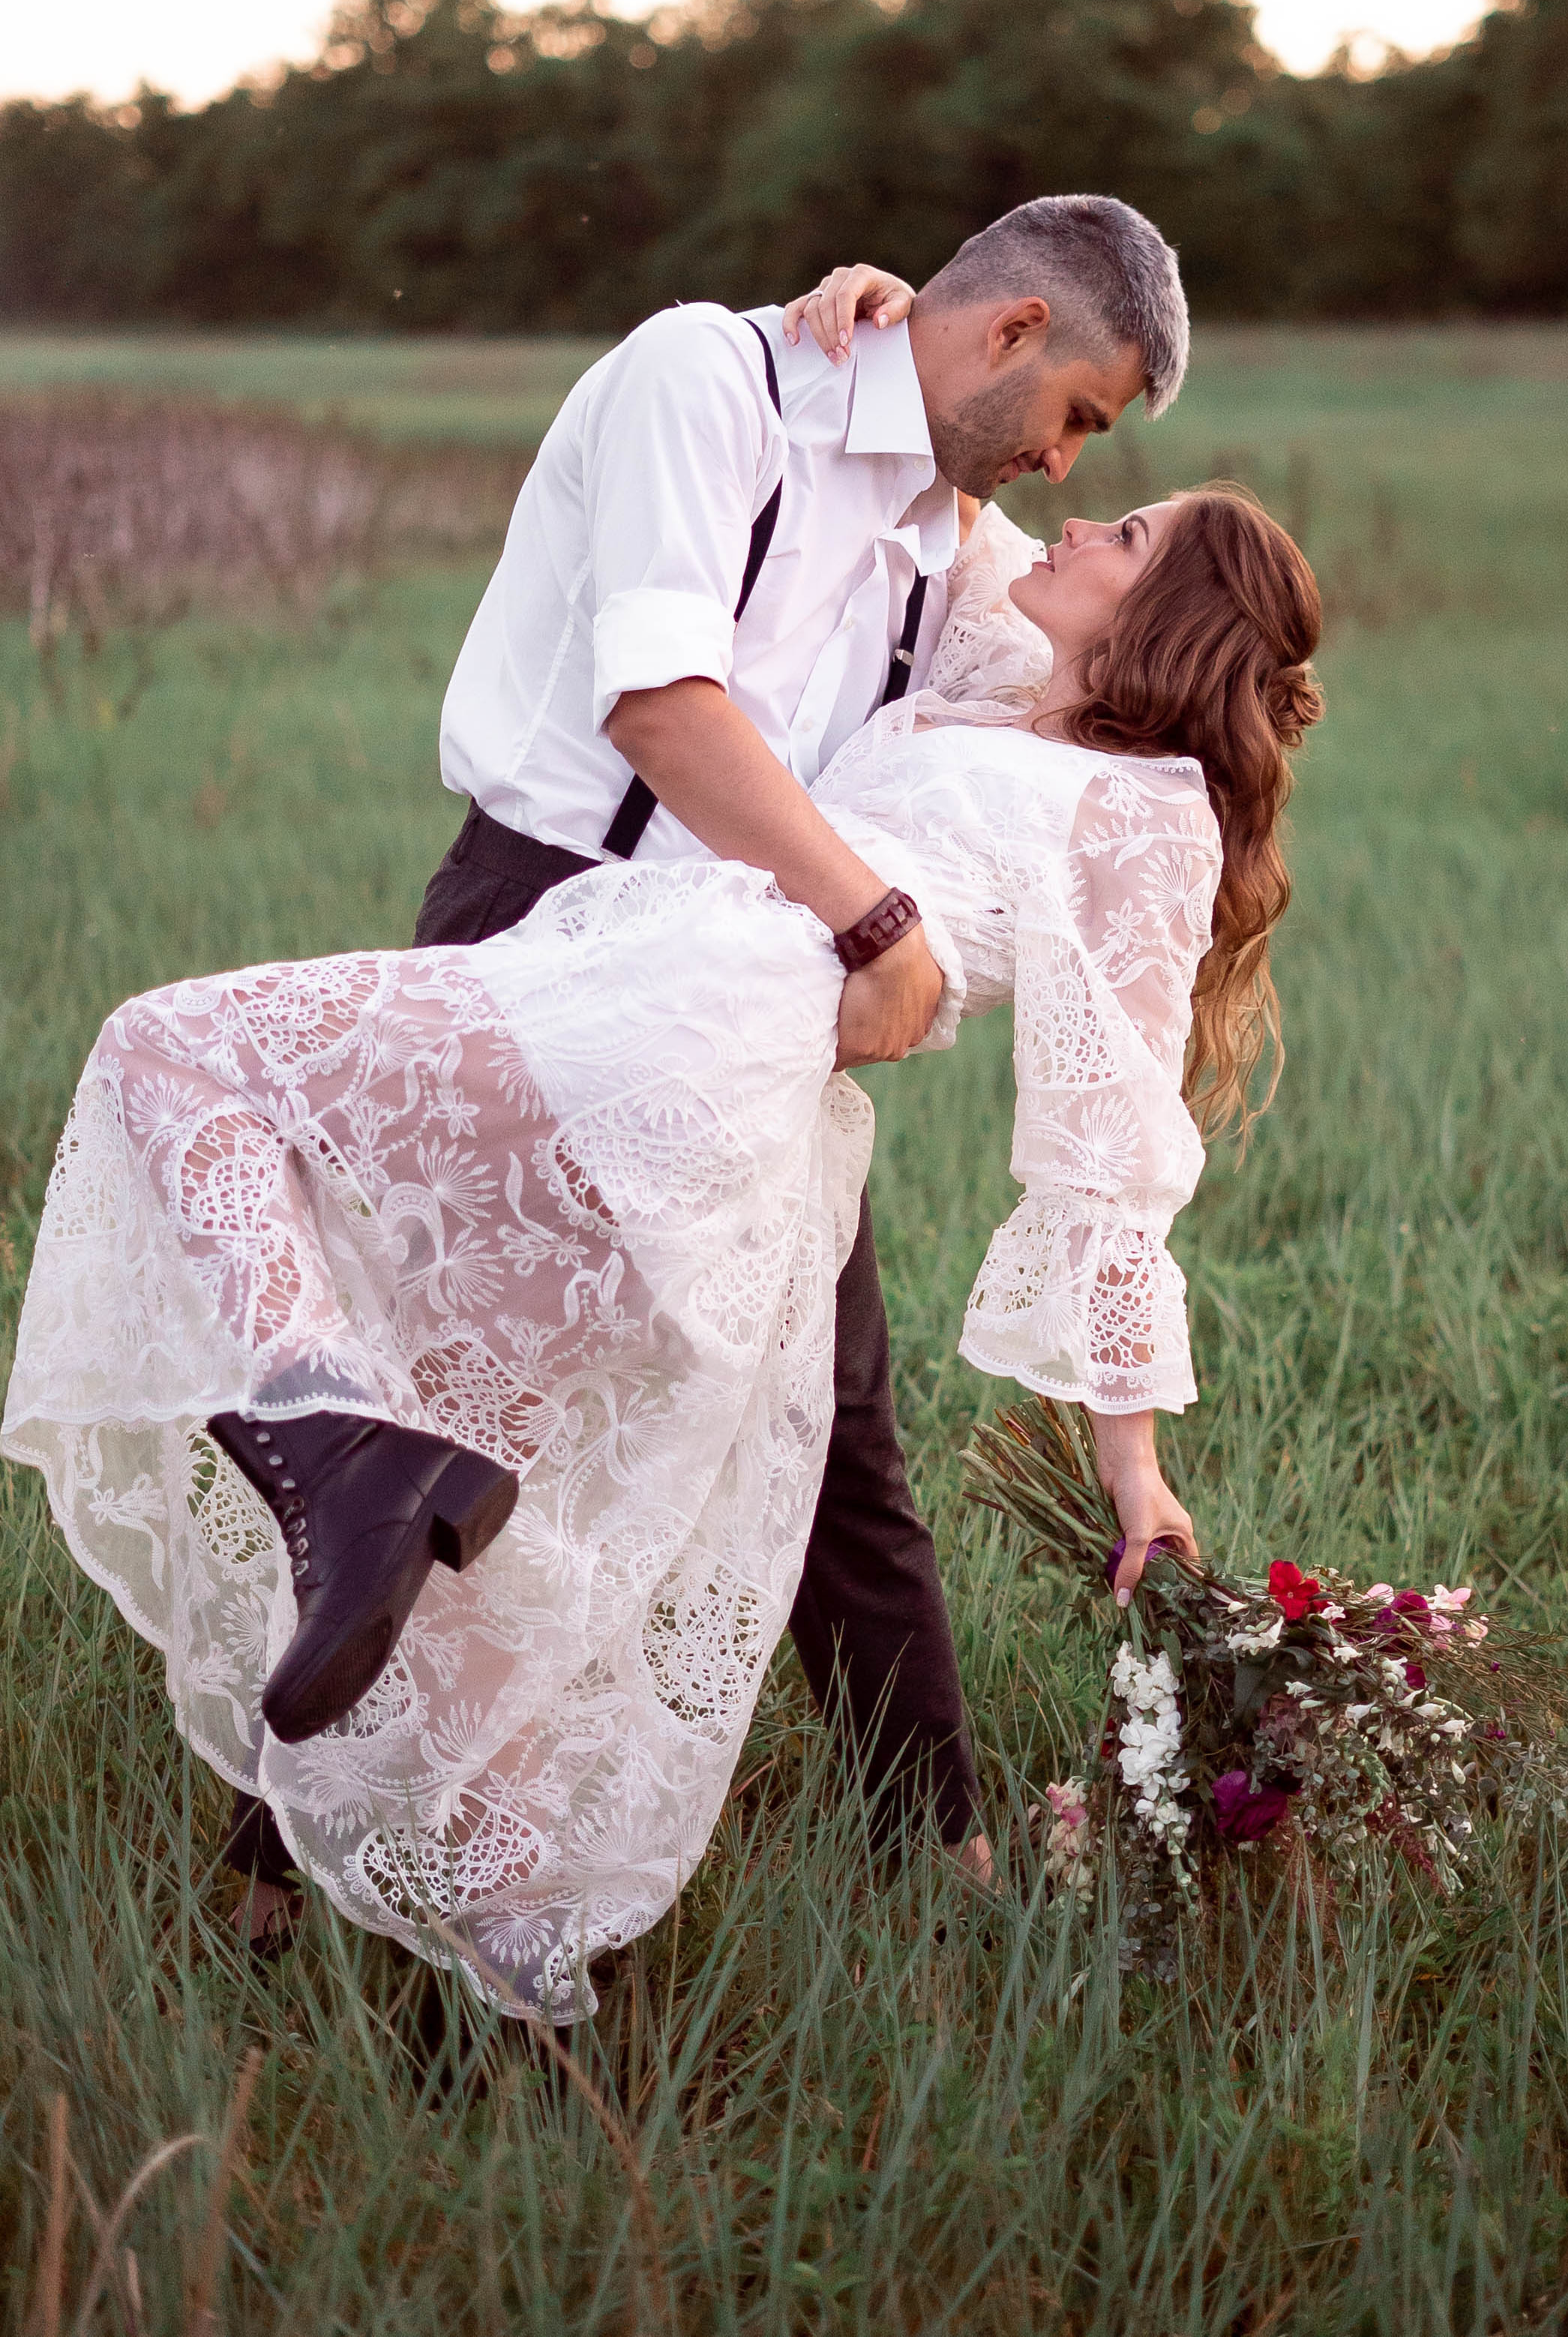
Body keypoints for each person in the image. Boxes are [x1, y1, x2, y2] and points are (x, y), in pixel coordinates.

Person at [3, 460, 1321, 2020]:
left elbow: (1108, 1160)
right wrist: (872, 308)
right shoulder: (1007, 684)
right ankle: (521, 1970)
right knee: (480, 1481)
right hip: (664, 1022)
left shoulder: (1139, 814)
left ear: (1171, 617)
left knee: (176, 1051)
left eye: (1134, 534)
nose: (1088, 520)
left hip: (683, 1044)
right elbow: (955, 476)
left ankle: (311, 1415)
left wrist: (1130, 1460)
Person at [206, 191, 1192, 1934]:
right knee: (451, 1409)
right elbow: (657, 705)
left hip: (746, 1001)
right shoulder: (705, 381)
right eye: (1078, 415)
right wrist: (879, 925)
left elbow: (1094, 691)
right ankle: (282, 1867)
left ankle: (937, 1854)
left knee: (832, 1439)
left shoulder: (945, 539)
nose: (1060, 464)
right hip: (547, 928)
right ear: (1017, 330)